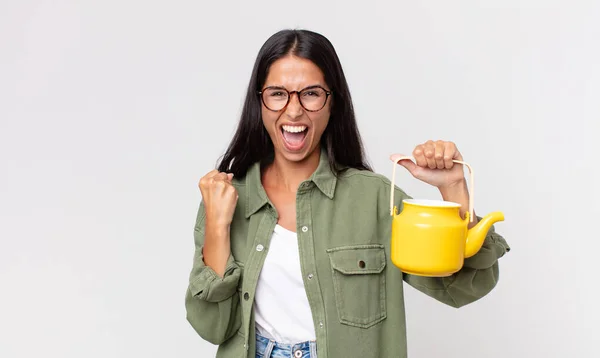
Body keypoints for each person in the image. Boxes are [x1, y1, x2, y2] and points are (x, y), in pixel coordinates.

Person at [185, 29, 510, 358]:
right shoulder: (226, 198)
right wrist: (217, 226)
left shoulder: (376, 200)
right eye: (277, 94)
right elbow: (211, 327)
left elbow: (465, 287)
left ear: (332, 102)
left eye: (310, 93)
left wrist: (453, 187)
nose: (294, 111)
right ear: (260, 102)